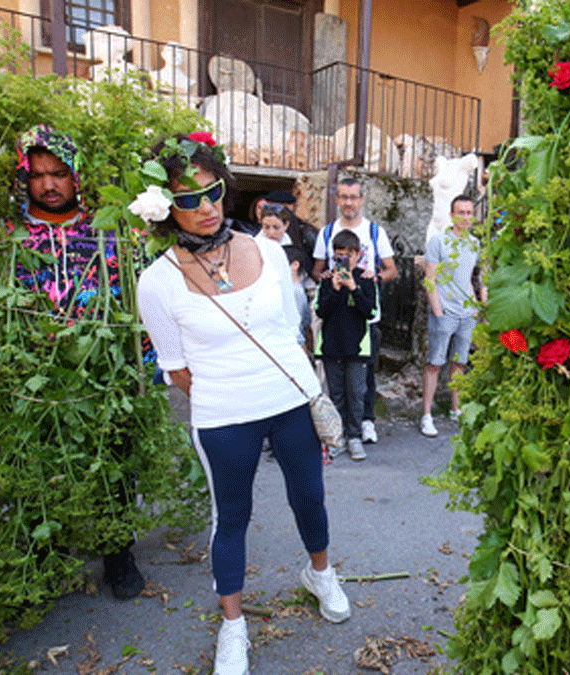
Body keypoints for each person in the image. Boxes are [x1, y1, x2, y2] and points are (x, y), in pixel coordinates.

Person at [136, 134, 350, 675]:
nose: (204, 207)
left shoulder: (269, 250)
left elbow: (291, 328)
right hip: (223, 412)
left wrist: (305, 386)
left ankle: (320, 574)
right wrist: (230, 390)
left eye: (211, 192)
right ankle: (233, 626)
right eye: (187, 199)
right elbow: (175, 366)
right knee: (231, 516)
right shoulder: (157, 282)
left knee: (309, 495)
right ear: (167, 207)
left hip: (289, 400)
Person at [9, 124, 147, 600]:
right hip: (34, 374)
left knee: (112, 462)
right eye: (38, 175)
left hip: (104, 374)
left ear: (76, 176)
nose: (49, 184)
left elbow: (138, 297)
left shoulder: (109, 230)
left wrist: (141, 364)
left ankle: (117, 553)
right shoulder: (10, 237)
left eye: (60, 173)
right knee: (39, 463)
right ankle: (45, 555)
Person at [312, 178, 398, 445]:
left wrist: (374, 279)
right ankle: (341, 430)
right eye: (344, 197)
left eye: (354, 197)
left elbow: (392, 270)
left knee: (365, 373)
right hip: (336, 311)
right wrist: (325, 277)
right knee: (338, 377)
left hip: (365, 311)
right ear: (337, 199)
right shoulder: (327, 233)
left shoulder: (374, 232)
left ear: (362, 199)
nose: (349, 202)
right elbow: (316, 269)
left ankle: (366, 422)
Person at [420, 194, 484, 437]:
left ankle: (456, 409)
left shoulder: (474, 244)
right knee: (435, 363)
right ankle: (426, 414)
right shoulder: (439, 241)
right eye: (461, 212)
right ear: (452, 215)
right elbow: (430, 279)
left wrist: (475, 305)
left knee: (460, 363)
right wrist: (438, 310)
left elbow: (469, 278)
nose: (465, 217)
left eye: (469, 213)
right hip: (445, 312)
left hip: (466, 313)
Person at [315, 230, 376, 461]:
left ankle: (355, 436)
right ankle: (337, 437)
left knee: (356, 393)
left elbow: (370, 311)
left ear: (358, 255)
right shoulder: (327, 281)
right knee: (336, 394)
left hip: (358, 348)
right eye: (339, 256)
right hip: (332, 347)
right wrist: (335, 288)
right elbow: (321, 311)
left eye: (348, 256)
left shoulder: (366, 279)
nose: (344, 260)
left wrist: (354, 288)